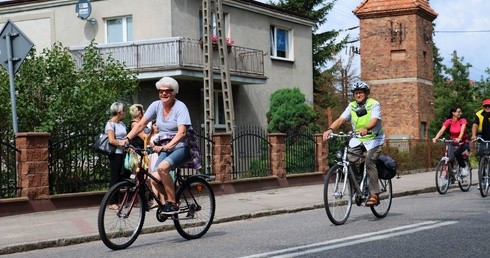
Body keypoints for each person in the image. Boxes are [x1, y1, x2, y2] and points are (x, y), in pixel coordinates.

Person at [124, 76, 192, 214]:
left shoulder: (180, 107)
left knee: (162, 168)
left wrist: (168, 146)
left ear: (174, 92)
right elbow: (141, 124)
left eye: (167, 91)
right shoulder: (156, 105)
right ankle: (173, 200)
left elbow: (182, 132)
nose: (164, 94)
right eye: (161, 91)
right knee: (153, 179)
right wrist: (127, 138)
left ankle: (172, 203)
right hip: (164, 148)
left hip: (180, 147)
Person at [322, 81, 385, 206]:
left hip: (374, 140)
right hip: (358, 139)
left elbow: (374, 120)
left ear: (366, 93)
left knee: (369, 161)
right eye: (356, 93)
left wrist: (366, 128)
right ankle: (357, 186)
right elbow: (341, 119)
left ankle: (375, 195)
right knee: (348, 161)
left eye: (360, 92)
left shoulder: (374, 104)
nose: (358, 95)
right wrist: (330, 130)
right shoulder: (352, 106)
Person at [432, 107, 470, 176]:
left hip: (463, 141)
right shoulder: (449, 121)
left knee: (457, 153)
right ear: (453, 113)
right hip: (453, 141)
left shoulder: (462, 121)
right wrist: (436, 138)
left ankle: (463, 167)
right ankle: (450, 176)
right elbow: (441, 131)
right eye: (458, 112)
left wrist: (459, 138)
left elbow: (462, 131)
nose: (460, 113)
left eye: (460, 112)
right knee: (450, 158)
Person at [106, 101, 128, 209]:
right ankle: (112, 202)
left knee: (121, 177)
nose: (125, 112)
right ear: (119, 112)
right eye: (124, 110)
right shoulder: (110, 124)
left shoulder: (122, 124)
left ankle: (120, 200)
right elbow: (111, 140)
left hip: (123, 152)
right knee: (115, 177)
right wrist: (121, 143)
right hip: (115, 153)